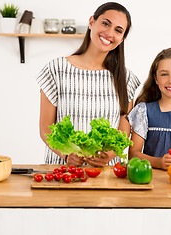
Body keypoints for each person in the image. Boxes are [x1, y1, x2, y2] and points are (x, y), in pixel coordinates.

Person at [37, 2, 140, 167]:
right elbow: (46, 129)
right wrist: (66, 154)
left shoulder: (126, 79)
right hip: (63, 171)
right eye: (105, 23)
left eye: (118, 30)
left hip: (106, 174)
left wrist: (110, 154)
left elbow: (123, 131)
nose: (109, 33)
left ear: (121, 39)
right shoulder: (56, 69)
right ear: (92, 22)